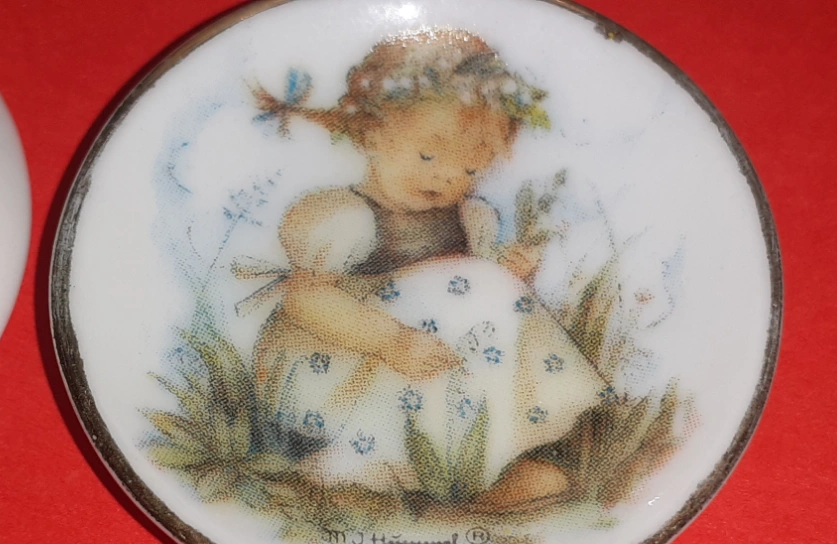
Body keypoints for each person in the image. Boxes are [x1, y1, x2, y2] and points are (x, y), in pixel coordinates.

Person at [244, 29, 606, 511]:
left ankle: (489, 465)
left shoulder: (471, 219)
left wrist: (505, 275)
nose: (447, 177)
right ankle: (352, 467)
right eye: (428, 155)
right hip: (344, 360)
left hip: (428, 363)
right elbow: (305, 299)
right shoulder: (344, 219)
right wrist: (389, 340)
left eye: (471, 169)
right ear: (373, 137)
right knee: (468, 290)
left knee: (482, 291)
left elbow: (469, 302)